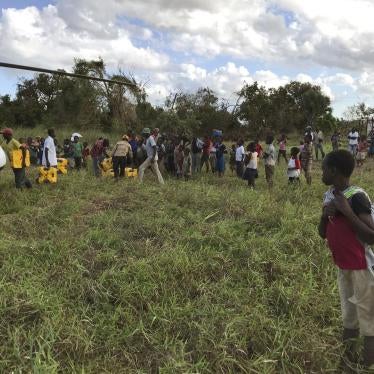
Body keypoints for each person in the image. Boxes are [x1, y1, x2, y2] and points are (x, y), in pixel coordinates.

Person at [318, 150, 374, 370]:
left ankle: (367, 366)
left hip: (364, 269)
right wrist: (325, 216)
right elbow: (322, 232)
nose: (322, 172)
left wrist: (348, 213)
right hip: (344, 268)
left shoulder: (357, 197)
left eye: (323, 168)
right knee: (349, 319)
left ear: (334, 171)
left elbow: (371, 236)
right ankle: (347, 363)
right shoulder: (329, 195)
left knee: (369, 323)